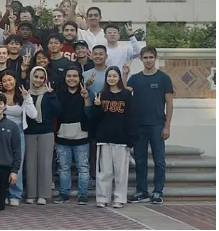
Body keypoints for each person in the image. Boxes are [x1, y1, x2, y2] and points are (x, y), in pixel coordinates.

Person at [128, 47, 174, 205]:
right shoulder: (134, 78)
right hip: (138, 126)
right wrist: (124, 74)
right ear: (141, 59)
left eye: (151, 57)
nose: (148, 60)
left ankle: (157, 191)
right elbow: (123, 93)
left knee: (159, 160)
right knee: (140, 160)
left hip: (157, 125)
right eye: (145, 57)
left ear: (155, 58)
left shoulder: (163, 78)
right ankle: (142, 191)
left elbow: (169, 103)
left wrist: (167, 126)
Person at [91, 67, 139, 208]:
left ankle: (119, 198)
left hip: (121, 139)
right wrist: (97, 106)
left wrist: (131, 139)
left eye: (114, 75)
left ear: (119, 78)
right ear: (106, 78)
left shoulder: (126, 95)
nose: (111, 78)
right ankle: (103, 198)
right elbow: (95, 119)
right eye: (109, 76)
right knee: (104, 172)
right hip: (104, 139)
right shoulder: (101, 94)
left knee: (120, 172)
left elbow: (131, 117)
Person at [54, 67, 92, 205]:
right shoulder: (58, 94)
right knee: (63, 168)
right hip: (62, 137)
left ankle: (83, 194)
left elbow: (90, 114)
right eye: (69, 75)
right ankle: (64, 193)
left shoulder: (86, 93)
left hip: (81, 137)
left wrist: (86, 98)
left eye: (75, 76)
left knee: (83, 167)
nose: (71, 78)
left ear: (79, 78)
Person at [24, 66, 61, 205]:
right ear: (31, 77)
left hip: (46, 131)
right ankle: (32, 194)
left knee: (45, 163)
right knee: (31, 163)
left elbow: (58, 110)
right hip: (29, 132)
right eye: (36, 76)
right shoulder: (26, 93)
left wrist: (51, 94)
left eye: (41, 77)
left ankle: (44, 195)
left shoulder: (49, 93)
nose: (38, 80)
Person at [0, 71, 37, 206]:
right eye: (4, 81)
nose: (7, 83)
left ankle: (15, 194)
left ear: (15, 80)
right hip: (1, 132)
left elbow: (33, 115)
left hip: (18, 131)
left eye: (10, 80)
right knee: (2, 163)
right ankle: (2, 193)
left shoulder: (22, 96)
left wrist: (28, 98)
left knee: (17, 164)